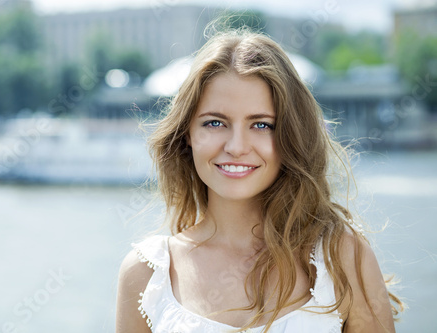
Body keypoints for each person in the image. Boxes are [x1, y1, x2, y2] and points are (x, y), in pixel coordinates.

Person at [116, 29, 403, 333]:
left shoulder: (342, 256)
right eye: (215, 122)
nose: (237, 146)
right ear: (187, 133)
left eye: (262, 125)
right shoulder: (147, 275)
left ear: (291, 135)